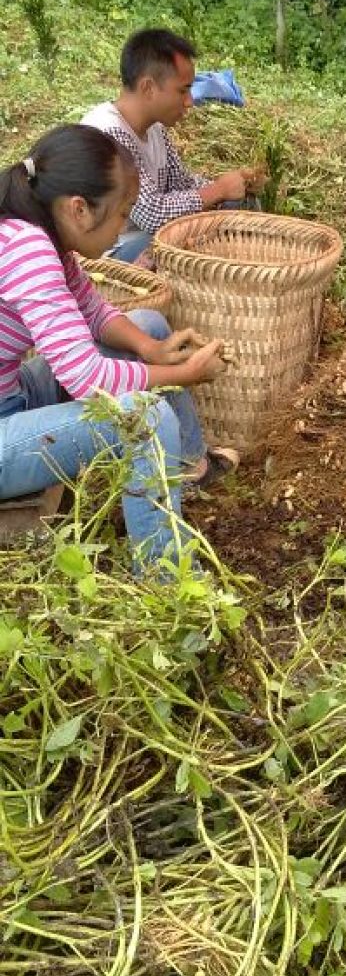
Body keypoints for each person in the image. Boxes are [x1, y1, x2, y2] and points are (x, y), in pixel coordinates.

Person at [0, 124, 238, 571]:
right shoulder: (27, 249)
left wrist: (152, 348)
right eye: (121, 214)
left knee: (145, 322)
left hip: (12, 395)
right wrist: (182, 374)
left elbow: (95, 311)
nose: (122, 231)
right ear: (79, 209)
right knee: (144, 419)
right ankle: (162, 574)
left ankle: (188, 472)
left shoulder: (42, 234)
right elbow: (87, 379)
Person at [81, 28, 262, 265]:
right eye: (183, 90)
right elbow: (153, 215)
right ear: (148, 88)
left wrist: (236, 185)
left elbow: (182, 184)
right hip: (109, 253)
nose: (189, 102)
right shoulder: (108, 134)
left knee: (233, 211)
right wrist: (218, 190)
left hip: (143, 237)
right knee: (193, 239)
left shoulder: (155, 129)